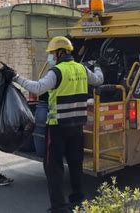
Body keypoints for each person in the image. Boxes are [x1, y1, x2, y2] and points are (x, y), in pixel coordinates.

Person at [11, 36, 104, 212]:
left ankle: (59, 207)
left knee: (53, 168)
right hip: (77, 126)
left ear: (60, 53)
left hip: (57, 127)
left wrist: (16, 77)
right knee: (76, 163)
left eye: (52, 53)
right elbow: (99, 80)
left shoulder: (57, 71)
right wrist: (98, 65)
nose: (51, 56)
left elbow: (37, 88)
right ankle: (78, 198)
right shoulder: (82, 69)